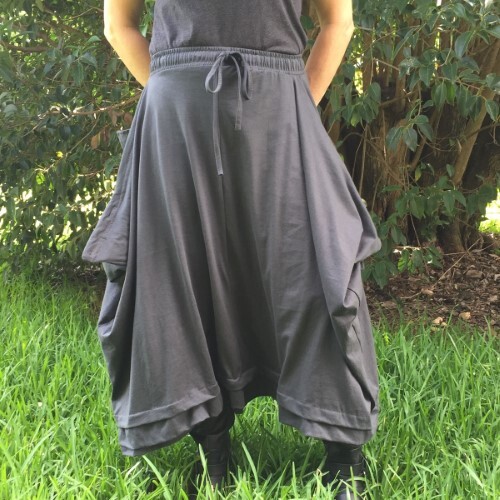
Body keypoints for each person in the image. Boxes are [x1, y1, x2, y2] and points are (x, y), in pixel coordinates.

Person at [82, 0, 382, 498]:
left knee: (314, 269)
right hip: (176, 123)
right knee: (182, 276)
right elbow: (119, 25)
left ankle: (343, 453)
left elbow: (337, 21)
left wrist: (291, 101)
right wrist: (174, 85)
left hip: (279, 114)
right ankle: (211, 443)